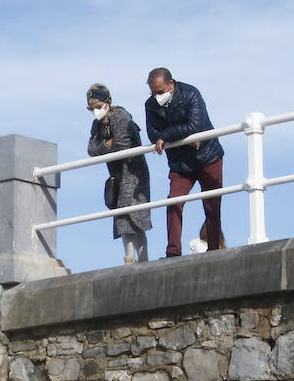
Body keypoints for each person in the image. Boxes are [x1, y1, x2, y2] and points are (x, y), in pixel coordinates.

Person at [144, 68, 224, 257]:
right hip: (180, 164)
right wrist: (183, 137)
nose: (157, 97)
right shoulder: (150, 105)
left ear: (171, 84)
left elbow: (195, 124)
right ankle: (173, 252)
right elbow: (152, 134)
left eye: (160, 92)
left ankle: (214, 251)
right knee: (174, 202)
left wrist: (167, 136)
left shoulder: (191, 94)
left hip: (208, 157)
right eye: (153, 93)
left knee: (212, 206)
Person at [85, 83, 151, 265]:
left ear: (107, 102)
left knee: (136, 218)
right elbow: (91, 149)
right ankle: (129, 259)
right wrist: (107, 145)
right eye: (92, 108)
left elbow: (123, 144)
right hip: (116, 176)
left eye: (98, 106)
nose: (95, 111)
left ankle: (143, 260)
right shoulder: (97, 124)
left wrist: (105, 147)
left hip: (133, 173)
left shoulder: (121, 116)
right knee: (122, 220)